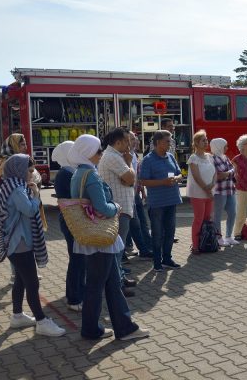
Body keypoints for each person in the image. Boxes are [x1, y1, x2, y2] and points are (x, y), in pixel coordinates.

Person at [68, 134, 149, 340]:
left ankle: (123, 327)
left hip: (92, 235)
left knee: (110, 283)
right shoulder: (91, 175)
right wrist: (117, 207)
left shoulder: (78, 173)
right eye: (97, 151)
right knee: (97, 285)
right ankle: (96, 329)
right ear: (88, 153)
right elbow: (102, 206)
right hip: (101, 235)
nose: (100, 154)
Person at [0, 154, 65, 336]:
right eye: (29, 170)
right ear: (19, 170)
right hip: (20, 243)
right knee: (32, 283)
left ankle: (17, 316)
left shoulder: (9, 184)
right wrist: (35, 195)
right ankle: (42, 321)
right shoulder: (17, 190)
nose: (32, 174)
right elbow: (29, 209)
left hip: (14, 242)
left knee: (20, 280)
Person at [0, 133, 44, 285]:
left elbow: (35, 176)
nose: (25, 146)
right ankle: (18, 274)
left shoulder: (24, 160)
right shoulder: (9, 162)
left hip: (27, 199)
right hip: (18, 207)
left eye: (25, 144)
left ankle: (22, 274)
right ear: (13, 145)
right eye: (21, 144)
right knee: (18, 244)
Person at [98, 128, 137, 296]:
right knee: (117, 250)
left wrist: (128, 175)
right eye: (127, 141)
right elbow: (130, 179)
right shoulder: (113, 157)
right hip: (118, 210)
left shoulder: (115, 156)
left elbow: (128, 180)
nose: (130, 145)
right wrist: (128, 164)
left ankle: (119, 277)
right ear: (118, 142)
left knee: (118, 249)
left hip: (122, 207)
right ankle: (116, 286)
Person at [140, 130, 183, 271]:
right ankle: (157, 263)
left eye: (170, 141)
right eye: (167, 141)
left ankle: (167, 259)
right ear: (158, 142)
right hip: (157, 203)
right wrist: (162, 182)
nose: (170, 144)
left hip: (172, 200)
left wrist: (176, 179)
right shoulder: (148, 160)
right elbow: (143, 181)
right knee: (158, 233)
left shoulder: (170, 156)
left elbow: (179, 174)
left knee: (170, 232)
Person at [52, 141, 85, 312]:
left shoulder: (69, 170)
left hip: (74, 220)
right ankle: (73, 297)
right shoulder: (66, 172)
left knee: (80, 258)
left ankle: (78, 292)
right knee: (77, 259)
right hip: (72, 220)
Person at [186, 130, 216, 254]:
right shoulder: (193, 158)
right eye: (203, 140)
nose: (206, 142)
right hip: (198, 193)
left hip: (210, 192)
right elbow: (197, 177)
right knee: (198, 219)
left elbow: (215, 173)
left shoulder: (210, 156)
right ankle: (195, 246)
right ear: (196, 143)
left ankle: (206, 242)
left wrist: (212, 185)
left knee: (207, 218)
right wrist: (207, 189)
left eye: (206, 140)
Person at [126, 132, 153, 258]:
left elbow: (137, 175)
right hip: (128, 194)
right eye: (132, 139)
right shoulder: (123, 156)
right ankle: (140, 249)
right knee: (133, 224)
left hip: (135, 193)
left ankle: (148, 246)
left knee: (142, 222)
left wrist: (141, 189)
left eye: (136, 139)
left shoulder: (134, 155)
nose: (135, 141)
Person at [210, 138, 239, 246]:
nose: (227, 148)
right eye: (225, 146)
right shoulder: (212, 159)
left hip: (230, 189)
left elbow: (233, 170)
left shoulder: (225, 157)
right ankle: (218, 238)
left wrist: (226, 174)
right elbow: (217, 175)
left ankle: (228, 236)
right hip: (219, 191)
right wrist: (229, 173)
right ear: (218, 146)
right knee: (217, 215)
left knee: (232, 213)